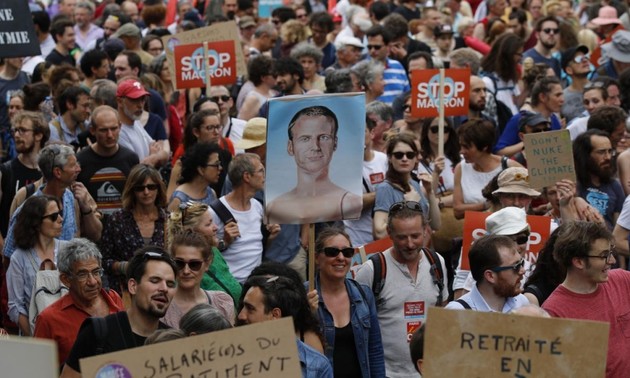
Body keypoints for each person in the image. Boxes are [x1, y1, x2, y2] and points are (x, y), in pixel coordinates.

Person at [355, 201, 448, 377]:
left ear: (425, 230)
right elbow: (358, 328)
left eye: (415, 236)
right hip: (387, 373)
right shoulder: (372, 270)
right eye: (402, 237)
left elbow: (442, 312)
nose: (410, 244)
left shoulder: (437, 262)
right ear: (389, 233)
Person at [60, 247, 177, 377]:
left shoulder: (173, 341)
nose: (164, 289)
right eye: (155, 281)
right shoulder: (98, 333)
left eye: (171, 284)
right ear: (133, 286)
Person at [542, 221, 630, 377]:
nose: (612, 261)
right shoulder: (553, 313)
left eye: (611, 253)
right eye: (604, 256)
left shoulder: (622, 280)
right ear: (578, 262)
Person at [3, 144, 102, 262]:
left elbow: (96, 234)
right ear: (58, 172)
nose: (78, 169)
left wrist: (86, 207)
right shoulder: (28, 209)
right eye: (73, 165)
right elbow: (9, 255)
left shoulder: (71, 197)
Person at [33, 238, 124, 366]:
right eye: (82, 274)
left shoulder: (114, 299)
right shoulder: (48, 319)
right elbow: (38, 369)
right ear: (66, 280)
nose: (92, 282)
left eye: (96, 272)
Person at [266, 106, 362, 224]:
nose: (316, 147)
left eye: (323, 137)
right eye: (305, 139)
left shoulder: (350, 203)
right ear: (290, 147)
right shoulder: (274, 207)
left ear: (335, 143)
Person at [313, 227, 385, 377]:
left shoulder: (363, 294)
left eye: (347, 252)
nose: (341, 258)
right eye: (332, 252)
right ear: (316, 257)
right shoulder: (302, 295)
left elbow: (375, 349)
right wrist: (304, 314)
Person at [237, 275, 333, 377]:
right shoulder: (231, 357)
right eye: (243, 307)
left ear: (275, 315)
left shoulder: (317, 366)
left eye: (250, 308)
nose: (241, 316)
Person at [211, 153, 279, 283]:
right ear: (247, 176)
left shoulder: (257, 206)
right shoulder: (214, 211)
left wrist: (270, 238)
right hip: (228, 288)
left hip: (253, 286)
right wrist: (224, 242)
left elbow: (255, 247)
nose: (264, 175)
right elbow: (204, 251)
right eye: (260, 171)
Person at [99, 165, 168, 293]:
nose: (146, 192)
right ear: (132, 190)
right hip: (126, 291)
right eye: (140, 188)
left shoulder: (167, 220)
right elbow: (104, 260)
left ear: (159, 189)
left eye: (151, 187)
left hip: (159, 291)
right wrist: (124, 266)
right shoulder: (117, 220)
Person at [6, 195, 66, 336]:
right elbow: (15, 306)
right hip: (35, 337)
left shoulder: (69, 250)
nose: (60, 219)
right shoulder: (18, 258)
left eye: (60, 214)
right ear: (36, 223)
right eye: (54, 216)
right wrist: (37, 337)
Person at [167, 202, 242, 305]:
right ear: (191, 232)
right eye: (208, 224)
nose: (215, 227)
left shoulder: (214, 252)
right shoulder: (183, 272)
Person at [373, 132, 441, 240]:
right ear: (390, 158)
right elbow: (379, 233)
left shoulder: (415, 185)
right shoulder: (385, 188)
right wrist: (407, 205)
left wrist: (430, 191)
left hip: (420, 251)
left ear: (415, 158)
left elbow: (435, 225)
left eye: (410, 155)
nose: (405, 159)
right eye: (399, 155)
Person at [76, 106, 139, 219]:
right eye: (103, 130)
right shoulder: (81, 161)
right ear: (92, 130)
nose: (110, 135)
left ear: (120, 127)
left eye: (114, 128)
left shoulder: (131, 158)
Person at [162, 231, 234, 328]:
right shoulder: (162, 305)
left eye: (194, 264)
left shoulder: (223, 303)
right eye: (179, 263)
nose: (186, 271)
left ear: (207, 264)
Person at [453, 119, 522, 220]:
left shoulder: (510, 167)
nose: (462, 151)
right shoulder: (460, 168)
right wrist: (486, 205)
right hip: (473, 230)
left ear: (484, 147)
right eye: (461, 146)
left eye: (467, 147)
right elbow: (458, 210)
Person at [446, 233, 529, 312]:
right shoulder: (457, 311)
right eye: (516, 267)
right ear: (490, 276)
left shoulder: (522, 303)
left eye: (522, 263)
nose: (523, 271)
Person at [343, 114, 389, 247]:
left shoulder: (384, 160)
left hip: (385, 236)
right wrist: (385, 192)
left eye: (361, 131)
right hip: (357, 239)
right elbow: (349, 205)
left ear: (372, 133)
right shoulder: (344, 167)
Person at [418, 117, 462, 254]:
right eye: (435, 129)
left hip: (460, 225)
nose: (440, 133)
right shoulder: (417, 162)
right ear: (426, 132)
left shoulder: (460, 159)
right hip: (436, 230)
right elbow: (424, 195)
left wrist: (438, 201)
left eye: (445, 129)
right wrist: (436, 173)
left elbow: (467, 193)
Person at [573, 129, 624, 229]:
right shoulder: (573, 184)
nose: (608, 157)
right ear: (585, 155)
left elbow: (619, 227)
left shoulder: (614, 186)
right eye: (601, 152)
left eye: (610, 151)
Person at [167, 143, 222, 211]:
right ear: (201, 170)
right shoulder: (179, 199)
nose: (220, 168)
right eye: (216, 165)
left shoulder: (211, 193)